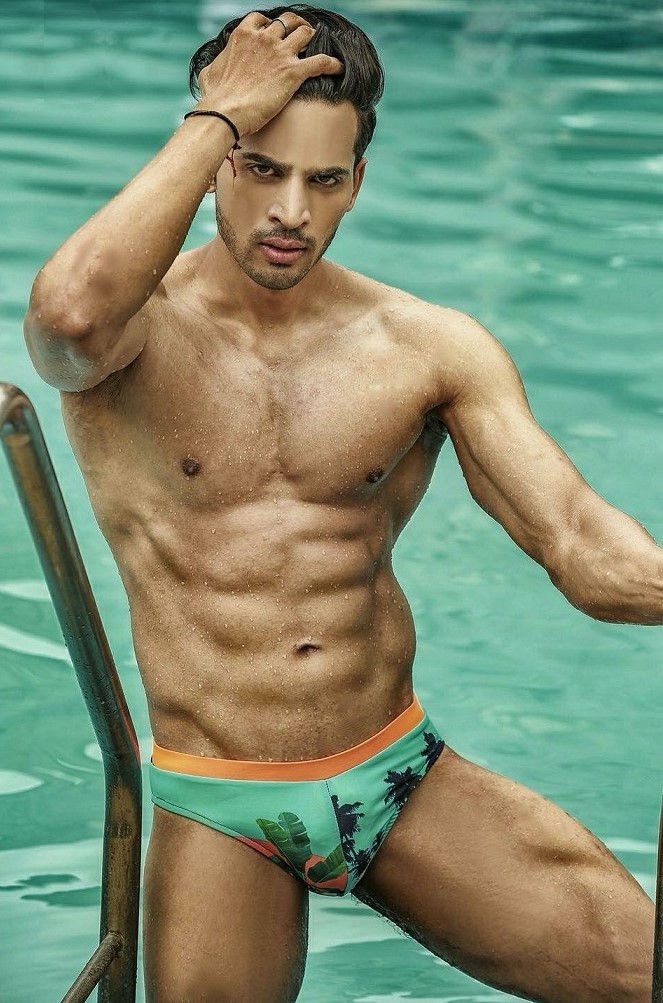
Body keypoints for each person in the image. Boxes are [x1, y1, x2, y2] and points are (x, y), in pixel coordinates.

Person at [23, 5, 660, 1001]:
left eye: (323, 180)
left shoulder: (426, 346)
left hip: (400, 776)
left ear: (357, 183)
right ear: (215, 163)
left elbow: (580, 544)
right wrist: (219, 113)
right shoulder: (133, 335)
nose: (291, 210)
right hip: (222, 798)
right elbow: (65, 320)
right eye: (261, 168)